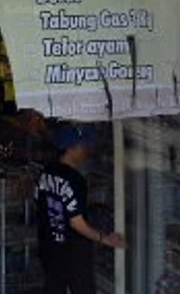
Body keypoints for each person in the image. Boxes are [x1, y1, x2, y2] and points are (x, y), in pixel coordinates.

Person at [34, 123, 125, 294]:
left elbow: (40, 206)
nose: (87, 151)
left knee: (54, 288)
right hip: (73, 250)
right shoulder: (74, 179)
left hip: (49, 247)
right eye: (84, 146)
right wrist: (104, 238)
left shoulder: (46, 173)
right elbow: (76, 223)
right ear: (72, 148)